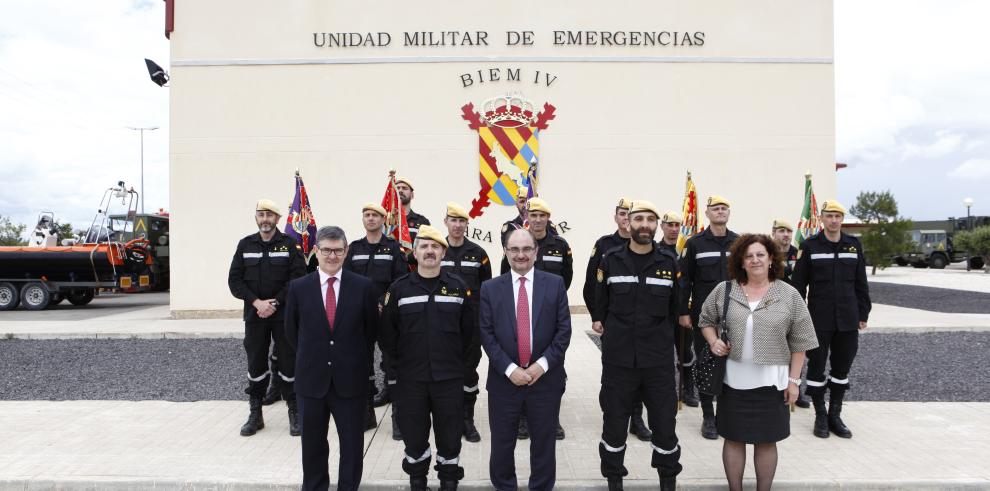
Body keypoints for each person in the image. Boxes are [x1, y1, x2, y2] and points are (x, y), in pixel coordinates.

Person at [698, 234, 818, 491]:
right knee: (733, 439)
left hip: (771, 383)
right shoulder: (725, 290)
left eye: (760, 255)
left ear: (771, 258)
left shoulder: (789, 294)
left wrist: (794, 381)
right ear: (741, 261)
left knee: (766, 441)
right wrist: (713, 341)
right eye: (749, 256)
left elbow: (801, 341)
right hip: (733, 381)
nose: (755, 260)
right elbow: (705, 319)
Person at [591, 200, 681, 491]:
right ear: (628, 223)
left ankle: (668, 480)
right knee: (615, 424)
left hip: (658, 363)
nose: (645, 224)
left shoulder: (669, 263)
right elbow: (600, 304)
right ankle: (614, 479)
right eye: (638, 219)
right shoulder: (611, 259)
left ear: (656, 225)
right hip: (619, 362)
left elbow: (676, 310)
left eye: (650, 220)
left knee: (665, 426)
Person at [380, 225, 477, 491]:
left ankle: (448, 481)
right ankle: (418, 481)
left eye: (435, 246)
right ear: (415, 251)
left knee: (449, 437)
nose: (430, 251)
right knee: (414, 437)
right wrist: (395, 375)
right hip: (411, 381)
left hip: (449, 380)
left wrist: (464, 372)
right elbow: (387, 336)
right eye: (424, 246)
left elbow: (471, 335)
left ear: (443, 251)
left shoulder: (458, 288)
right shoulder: (399, 290)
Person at [284, 226, 378, 491]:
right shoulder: (298, 288)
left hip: (350, 381)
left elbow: (370, 331)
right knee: (312, 445)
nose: (332, 256)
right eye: (326, 250)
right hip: (311, 381)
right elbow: (292, 333)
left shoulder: (363, 287)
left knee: (351, 445)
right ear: (316, 251)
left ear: (346, 251)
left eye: (338, 250)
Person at [480, 228, 572, 491]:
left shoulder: (554, 285)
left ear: (536, 251)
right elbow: (486, 334)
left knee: (543, 442)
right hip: (503, 381)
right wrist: (510, 370)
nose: (521, 255)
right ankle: (504, 485)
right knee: (501, 443)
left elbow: (563, 331)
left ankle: (541, 486)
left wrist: (540, 366)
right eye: (514, 249)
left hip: (544, 381)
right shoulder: (490, 288)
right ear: (506, 252)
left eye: (526, 249)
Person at [790, 200, 871, 439]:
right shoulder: (810, 246)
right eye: (829, 216)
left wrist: (863, 313)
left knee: (841, 368)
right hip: (818, 320)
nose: (834, 220)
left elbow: (861, 283)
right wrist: (798, 317)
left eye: (838, 216)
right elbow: (798, 285)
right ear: (822, 219)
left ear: (842, 219)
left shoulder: (853, 245)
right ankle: (820, 415)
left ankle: (836, 414)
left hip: (848, 319)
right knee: (816, 368)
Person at [228, 198, 307, 437]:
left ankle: (294, 411)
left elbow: (297, 279)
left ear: (278, 219)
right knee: (256, 363)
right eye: (261, 215)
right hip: (255, 314)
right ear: (256, 218)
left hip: (282, 315)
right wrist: (256, 302)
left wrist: (274, 302)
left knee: (288, 362)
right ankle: (255, 414)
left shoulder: (290, 245)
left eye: (269, 215)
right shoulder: (245, 245)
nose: (265, 219)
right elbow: (235, 280)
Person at [500, 196, 572, 440]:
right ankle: (522, 418)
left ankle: (552, 417)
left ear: (548, 218)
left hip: (549, 317)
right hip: (519, 316)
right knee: (520, 365)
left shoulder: (561, 245)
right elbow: (504, 280)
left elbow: (567, 278)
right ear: (526, 218)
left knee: (554, 372)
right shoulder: (517, 243)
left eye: (543, 215)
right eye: (534, 215)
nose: (538, 219)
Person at [583, 198, 651, 441]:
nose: (625, 218)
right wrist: (597, 316)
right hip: (615, 323)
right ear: (617, 217)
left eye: (629, 214)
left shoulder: (649, 247)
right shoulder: (604, 245)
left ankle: (637, 419)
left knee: (641, 372)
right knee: (613, 372)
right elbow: (592, 284)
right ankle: (611, 413)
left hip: (643, 325)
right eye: (623, 213)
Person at [343, 203, 409, 435]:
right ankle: (367, 414)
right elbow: (347, 280)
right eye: (367, 215)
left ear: (384, 220)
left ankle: (398, 419)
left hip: (386, 315)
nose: (370, 219)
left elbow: (401, 280)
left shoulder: (393, 248)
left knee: (393, 364)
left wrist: (383, 302)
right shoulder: (354, 248)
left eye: (375, 215)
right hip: (360, 316)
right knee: (362, 365)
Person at [678, 195, 739, 439]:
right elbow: (685, 281)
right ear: (707, 213)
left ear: (728, 213)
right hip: (705, 316)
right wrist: (683, 311)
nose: (720, 212)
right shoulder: (695, 244)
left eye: (724, 208)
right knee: (706, 364)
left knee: (733, 364)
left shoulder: (739, 243)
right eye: (716, 208)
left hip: (737, 313)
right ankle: (708, 416)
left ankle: (726, 414)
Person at [440, 202, 493, 443]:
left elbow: (487, 289)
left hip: (471, 324)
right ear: (446, 223)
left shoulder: (479, 254)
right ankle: (448, 417)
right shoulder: (436, 250)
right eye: (454, 220)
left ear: (466, 224)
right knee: (444, 371)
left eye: (462, 221)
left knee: (468, 372)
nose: (458, 225)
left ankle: (466, 419)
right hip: (442, 324)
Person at [659, 210, 697, 410]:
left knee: (685, 351)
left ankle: (688, 388)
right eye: (670, 225)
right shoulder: (657, 250)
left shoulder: (687, 249)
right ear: (662, 227)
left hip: (684, 310)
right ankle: (669, 390)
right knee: (664, 352)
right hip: (664, 312)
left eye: (677, 226)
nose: (674, 229)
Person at [771, 219, 809, 408]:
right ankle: (776, 385)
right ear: (773, 233)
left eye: (789, 231)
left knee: (796, 348)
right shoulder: (767, 253)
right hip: (772, 308)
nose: (785, 234)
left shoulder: (799, 254)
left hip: (795, 308)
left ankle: (795, 386)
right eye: (781, 231)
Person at [395, 177, 430, 244]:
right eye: (397, 188)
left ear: (412, 195)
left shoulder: (422, 222)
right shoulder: (386, 221)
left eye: (404, 188)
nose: (400, 191)